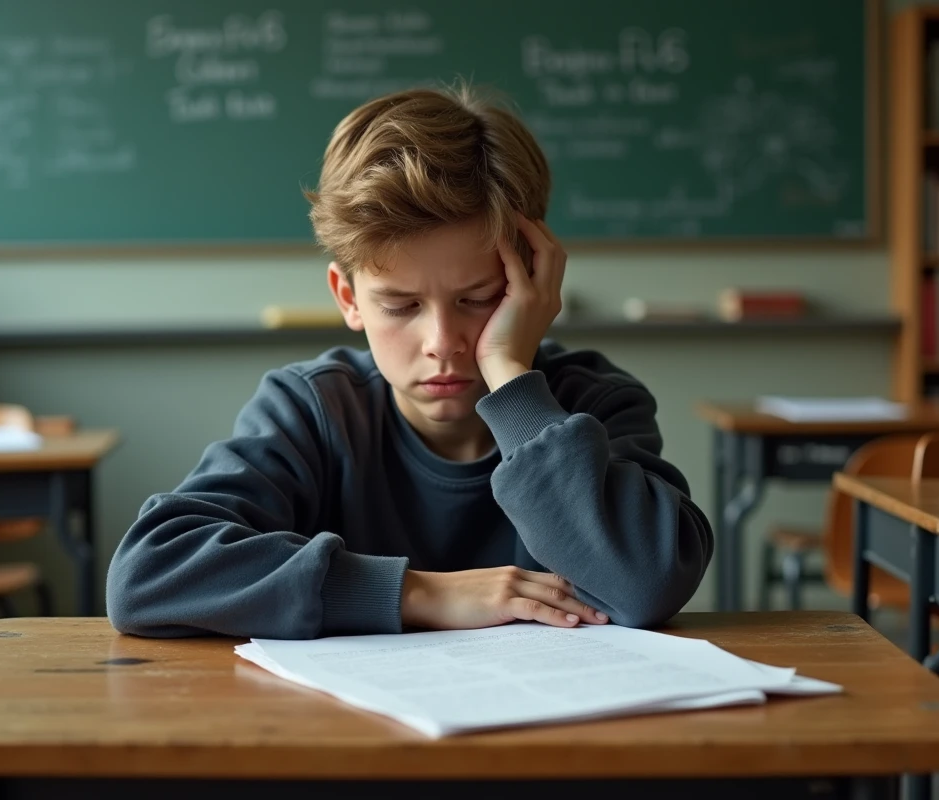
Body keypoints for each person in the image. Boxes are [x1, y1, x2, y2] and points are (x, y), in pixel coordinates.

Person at [107, 84, 714, 639]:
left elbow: (647, 583)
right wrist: (417, 593)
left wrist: (511, 378)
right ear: (348, 298)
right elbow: (149, 573)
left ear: (534, 281)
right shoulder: (312, 411)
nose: (442, 341)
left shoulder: (593, 404)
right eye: (400, 306)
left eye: (479, 300)